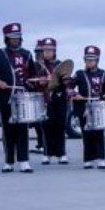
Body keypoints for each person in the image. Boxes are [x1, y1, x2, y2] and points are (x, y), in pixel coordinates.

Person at [0, 23, 46, 173]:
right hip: (5, 98)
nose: (15, 40)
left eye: (17, 37)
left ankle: (24, 161)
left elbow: (33, 76)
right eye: (12, 38)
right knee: (8, 130)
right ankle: (9, 161)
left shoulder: (27, 54)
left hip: (23, 98)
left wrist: (37, 82)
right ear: (6, 39)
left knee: (23, 129)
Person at [73, 46, 105, 169]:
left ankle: (101, 159)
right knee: (86, 133)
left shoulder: (102, 73)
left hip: (99, 108)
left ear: (97, 60)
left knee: (99, 134)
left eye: (92, 59)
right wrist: (75, 94)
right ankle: (88, 159)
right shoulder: (79, 74)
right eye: (87, 59)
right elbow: (70, 87)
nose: (89, 62)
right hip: (84, 108)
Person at [35, 37, 71, 165]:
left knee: (60, 127)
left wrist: (65, 81)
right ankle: (47, 153)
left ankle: (62, 153)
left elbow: (67, 83)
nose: (47, 52)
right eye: (45, 50)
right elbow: (32, 82)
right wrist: (40, 82)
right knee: (46, 127)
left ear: (55, 51)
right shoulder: (37, 65)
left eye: (50, 50)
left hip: (60, 98)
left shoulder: (61, 65)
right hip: (45, 99)